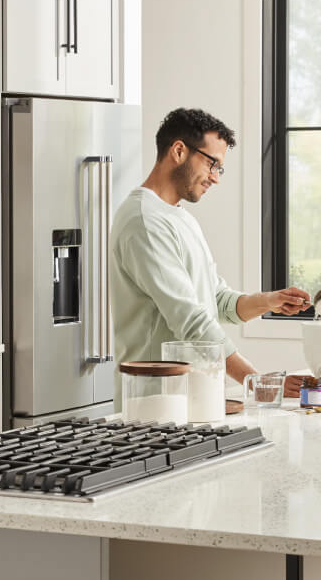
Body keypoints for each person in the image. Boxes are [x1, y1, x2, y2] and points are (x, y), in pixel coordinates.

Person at [110, 107, 310, 409]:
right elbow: (191, 321)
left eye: (219, 168)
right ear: (179, 150)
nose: (215, 178)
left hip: (190, 399)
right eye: (211, 164)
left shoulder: (179, 217)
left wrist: (269, 301)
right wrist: (257, 383)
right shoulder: (144, 221)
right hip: (155, 404)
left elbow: (216, 301)